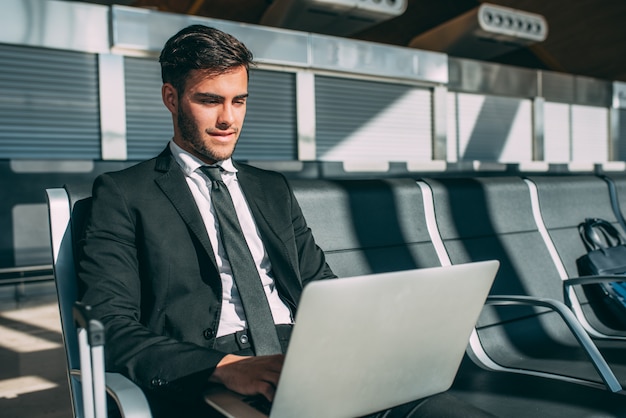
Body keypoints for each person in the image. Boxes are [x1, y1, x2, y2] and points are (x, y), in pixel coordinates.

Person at [78, 24, 494, 417]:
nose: (228, 119)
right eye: (210, 100)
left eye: (238, 100)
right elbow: (109, 326)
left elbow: (320, 284)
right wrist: (223, 366)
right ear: (172, 98)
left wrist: (376, 341)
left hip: (308, 357)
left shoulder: (271, 188)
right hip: (212, 373)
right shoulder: (124, 193)